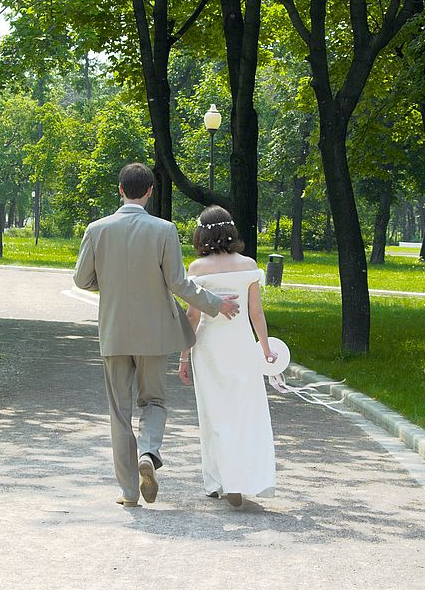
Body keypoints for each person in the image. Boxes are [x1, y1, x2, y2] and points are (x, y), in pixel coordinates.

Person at [73, 163, 240, 508]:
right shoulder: (164, 230)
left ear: (120, 189)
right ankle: (149, 451)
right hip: (155, 334)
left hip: (114, 332)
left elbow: (81, 280)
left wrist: (108, 284)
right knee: (154, 401)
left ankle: (129, 492)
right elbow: (178, 283)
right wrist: (215, 304)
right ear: (151, 191)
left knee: (119, 411)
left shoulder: (97, 229)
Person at [177, 205, 277, 507]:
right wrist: (266, 349)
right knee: (246, 411)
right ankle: (245, 478)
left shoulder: (197, 269)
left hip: (210, 346)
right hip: (241, 344)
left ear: (201, 233)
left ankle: (220, 480)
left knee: (214, 413)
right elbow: (256, 313)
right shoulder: (248, 265)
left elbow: (193, 317)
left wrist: (183, 355)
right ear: (231, 230)